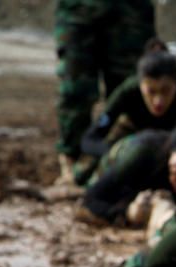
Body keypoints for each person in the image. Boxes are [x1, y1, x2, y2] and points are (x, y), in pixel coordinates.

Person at [74, 39, 176, 186]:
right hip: (131, 137)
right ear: (141, 84)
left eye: (165, 91)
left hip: (172, 146)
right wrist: (115, 152)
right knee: (82, 173)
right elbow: (90, 138)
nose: (158, 101)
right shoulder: (127, 92)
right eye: (151, 91)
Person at [54, 0, 156, 185]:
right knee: (76, 90)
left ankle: (122, 162)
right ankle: (72, 162)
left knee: (131, 94)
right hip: (79, 11)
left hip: (130, 12)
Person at [79, 117, 176, 227]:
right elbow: (91, 199)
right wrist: (128, 213)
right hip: (122, 156)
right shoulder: (144, 153)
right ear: (171, 153)